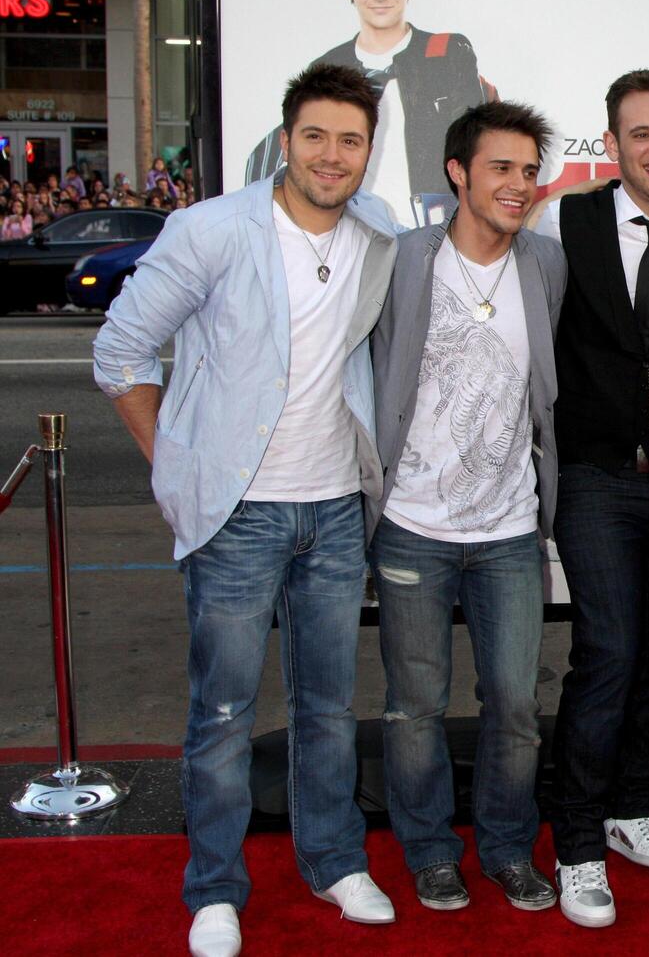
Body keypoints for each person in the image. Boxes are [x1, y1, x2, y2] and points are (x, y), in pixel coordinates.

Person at [93, 63, 402, 957]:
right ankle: (217, 888)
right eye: (316, 136)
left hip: (337, 510)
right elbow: (121, 353)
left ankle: (335, 860)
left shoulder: (376, 231)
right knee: (223, 711)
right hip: (237, 516)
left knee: (330, 705)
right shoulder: (210, 231)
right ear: (286, 139)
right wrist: (179, 465)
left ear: (368, 152)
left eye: (350, 140)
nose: (332, 156)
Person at [366, 100, 565, 915]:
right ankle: (429, 853)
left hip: (512, 529)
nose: (518, 186)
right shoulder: (402, 260)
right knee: (415, 704)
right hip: (413, 523)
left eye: (528, 171)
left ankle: (509, 849)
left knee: (516, 706)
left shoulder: (545, 266)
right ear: (457, 173)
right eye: (500, 169)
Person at [532, 68, 649, 929]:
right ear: (610, 144)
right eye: (640, 133)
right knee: (606, 652)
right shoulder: (562, 224)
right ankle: (576, 840)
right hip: (596, 480)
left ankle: (633, 804)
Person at [244, 0, 492, 227]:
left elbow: (476, 145)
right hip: (351, 229)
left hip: (434, 227)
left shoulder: (447, 52)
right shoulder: (328, 64)